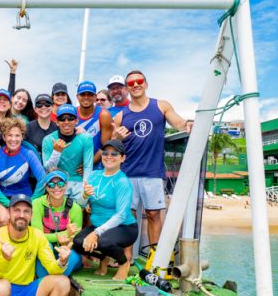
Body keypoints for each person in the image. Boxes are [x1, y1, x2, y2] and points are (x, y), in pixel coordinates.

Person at [112, 70, 193, 246]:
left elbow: (178, 123)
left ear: (146, 84)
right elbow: (112, 145)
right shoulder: (120, 116)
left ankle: (153, 257)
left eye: (139, 81)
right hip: (127, 173)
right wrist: (117, 138)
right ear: (127, 88)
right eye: (131, 83)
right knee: (127, 216)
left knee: (153, 214)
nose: (135, 85)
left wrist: (187, 123)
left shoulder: (161, 106)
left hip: (152, 172)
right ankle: (127, 259)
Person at [74, 140, 139, 281]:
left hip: (124, 227)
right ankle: (104, 258)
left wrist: (96, 233)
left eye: (114, 153)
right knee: (78, 242)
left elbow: (121, 215)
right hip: (99, 225)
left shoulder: (122, 182)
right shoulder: (93, 175)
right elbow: (80, 204)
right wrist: (85, 196)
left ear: (122, 158)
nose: (109, 156)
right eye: (105, 153)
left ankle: (124, 263)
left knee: (103, 242)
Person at [0, 118, 46, 226]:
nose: (13, 139)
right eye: (9, 135)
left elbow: (42, 178)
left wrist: (32, 200)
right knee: (4, 219)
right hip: (3, 196)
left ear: (22, 137)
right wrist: (7, 203)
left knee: (22, 221)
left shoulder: (28, 154)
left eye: (17, 135)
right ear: (4, 137)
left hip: (24, 196)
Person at [31, 170, 83, 277]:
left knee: (71, 258)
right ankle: (46, 282)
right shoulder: (37, 204)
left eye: (60, 183)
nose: (56, 188)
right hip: (46, 248)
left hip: (68, 248)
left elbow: (75, 238)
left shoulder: (75, 208)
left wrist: (67, 240)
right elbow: (38, 236)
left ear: (66, 185)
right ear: (46, 187)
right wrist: (66, 234)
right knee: (46, 246)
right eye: (51, 184)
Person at [41, 104, 93, 200]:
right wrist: (56, 152)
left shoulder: (86, 138)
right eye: (62, 119)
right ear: (57, 122)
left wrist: (86, 189)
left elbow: (88, 166)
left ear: (76, 121)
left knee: (79, 212)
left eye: (70, 118)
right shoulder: (48, 140)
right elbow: (48, 169)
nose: (66, 122)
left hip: (79, 183)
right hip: (57, 184)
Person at [75, 80, 113, 166]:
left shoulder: (104, 115)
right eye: (83, 94)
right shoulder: (71, 114)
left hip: (96, 165)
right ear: (77, 96)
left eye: (90, 94)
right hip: (74, 165)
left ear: (95, 97)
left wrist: (89, 164)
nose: (86, 97)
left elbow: (105, 147)